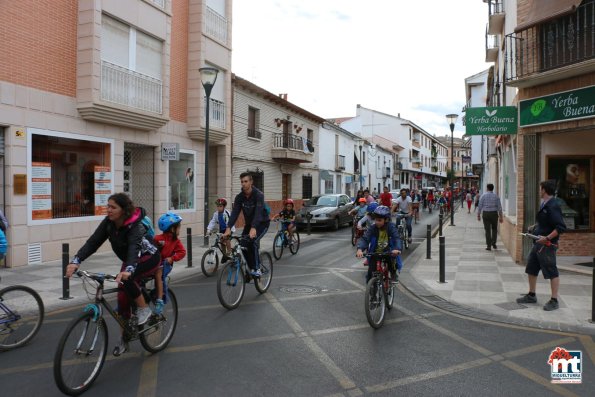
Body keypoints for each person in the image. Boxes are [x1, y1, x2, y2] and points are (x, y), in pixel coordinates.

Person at [65, 193, 161, 356]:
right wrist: (76, 260)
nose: (108, 210)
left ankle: (144, 309)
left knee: (128, 280)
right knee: (123, 300)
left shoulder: (134, 226)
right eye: (107, 206)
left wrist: (128, 270)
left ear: (124, 210)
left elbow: (134, 249)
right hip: (131, 261)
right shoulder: (109, 223)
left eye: (113, 207)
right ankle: (125, 337)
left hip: (148, 256)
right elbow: (93, 242)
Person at [517, 180, 567, 311]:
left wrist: (547, 238)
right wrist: (535, 226)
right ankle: (532, 295)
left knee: (551, 271)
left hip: (547, 245)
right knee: (531, 268)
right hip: (537, 243)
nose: (539, 191)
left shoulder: (553, 205)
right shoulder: (544, 204)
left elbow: (560, 227)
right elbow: (546, 223)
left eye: (540, 189)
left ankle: (554, 300)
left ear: (544, 190)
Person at [223, 172, 270, 277]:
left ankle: (257, 268)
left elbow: (258, 213)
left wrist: (254, 228)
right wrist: (228, 228)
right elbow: (235, 213)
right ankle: (250, 268)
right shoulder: (240, 197)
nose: (243, 184)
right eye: (242, 182)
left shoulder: (258, 195)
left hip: (262, 223)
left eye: (245, 181)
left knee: (252, 241)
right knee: (243, 245)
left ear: (251, 182)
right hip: (249, 225)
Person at [356, 205, 402, 284]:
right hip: (375, 252)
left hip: (389, 252)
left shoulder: (391, 227)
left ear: (386, 220)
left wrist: (397, 249)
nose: (377, 222)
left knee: (392, 262)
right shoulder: (373, 228)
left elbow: (396, 238)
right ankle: (371, 292)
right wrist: (360, 249)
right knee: (370, 273)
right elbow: (365, 238)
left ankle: (393, 274)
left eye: (379, 220)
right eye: (376, 220)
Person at [153, 212, 186, 315]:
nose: (179, 229)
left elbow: (182, 252)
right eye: (179, 227)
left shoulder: (176, 241)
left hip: (166, 265)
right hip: (155, 264)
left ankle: (161, 299)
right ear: (172, 229)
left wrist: (172, 258)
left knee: (159, 274)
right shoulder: (158, 238)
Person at [477, 183, 503, 250]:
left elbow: (480, 206)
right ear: (492, 188)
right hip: (494, 214)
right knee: (494, 229)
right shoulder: (496, 196)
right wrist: (501, 217)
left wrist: (478, 215)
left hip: (486, 214)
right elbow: (499, 207)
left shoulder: (483, 196)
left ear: (487, 188)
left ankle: (488, 245)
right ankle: (493, 243)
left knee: (487, 230)